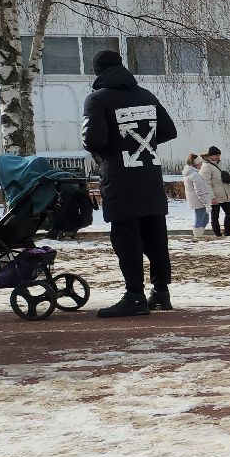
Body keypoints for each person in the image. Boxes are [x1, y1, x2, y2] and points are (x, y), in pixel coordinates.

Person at [81, 49, 178, 315]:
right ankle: (161, 292)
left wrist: (118, 148)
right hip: (150, 177)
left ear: (97, 70)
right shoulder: (146, 96)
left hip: (120, 180)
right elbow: (169, 130)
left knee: (126, 239)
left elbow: (94, 140)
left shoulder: (97, 99)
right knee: (156, 237)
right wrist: (141, 146)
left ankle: (134, 296)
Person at [201, 146, 230, 237]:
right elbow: (206, 184)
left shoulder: (222, 164)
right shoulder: (206, 166)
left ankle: (227, 231)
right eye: (215, 155)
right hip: (215, 195)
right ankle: (217, 234)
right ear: (210, 155)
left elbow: (229, 177)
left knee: (229, 213)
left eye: (219, 155)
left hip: (226, 194)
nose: (217, 157)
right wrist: (212, 197)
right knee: (215, 215)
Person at [182, 153, 212, 237]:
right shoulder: (194, 175)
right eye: (200, 163)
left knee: (205, 219)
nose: (202, 165)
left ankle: (199, 235)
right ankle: (198, 236)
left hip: (197, 200)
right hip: (199, 201)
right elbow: (199, 191)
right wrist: (205, 202)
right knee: (200, 219)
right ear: (197, 164)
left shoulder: (191, 173)